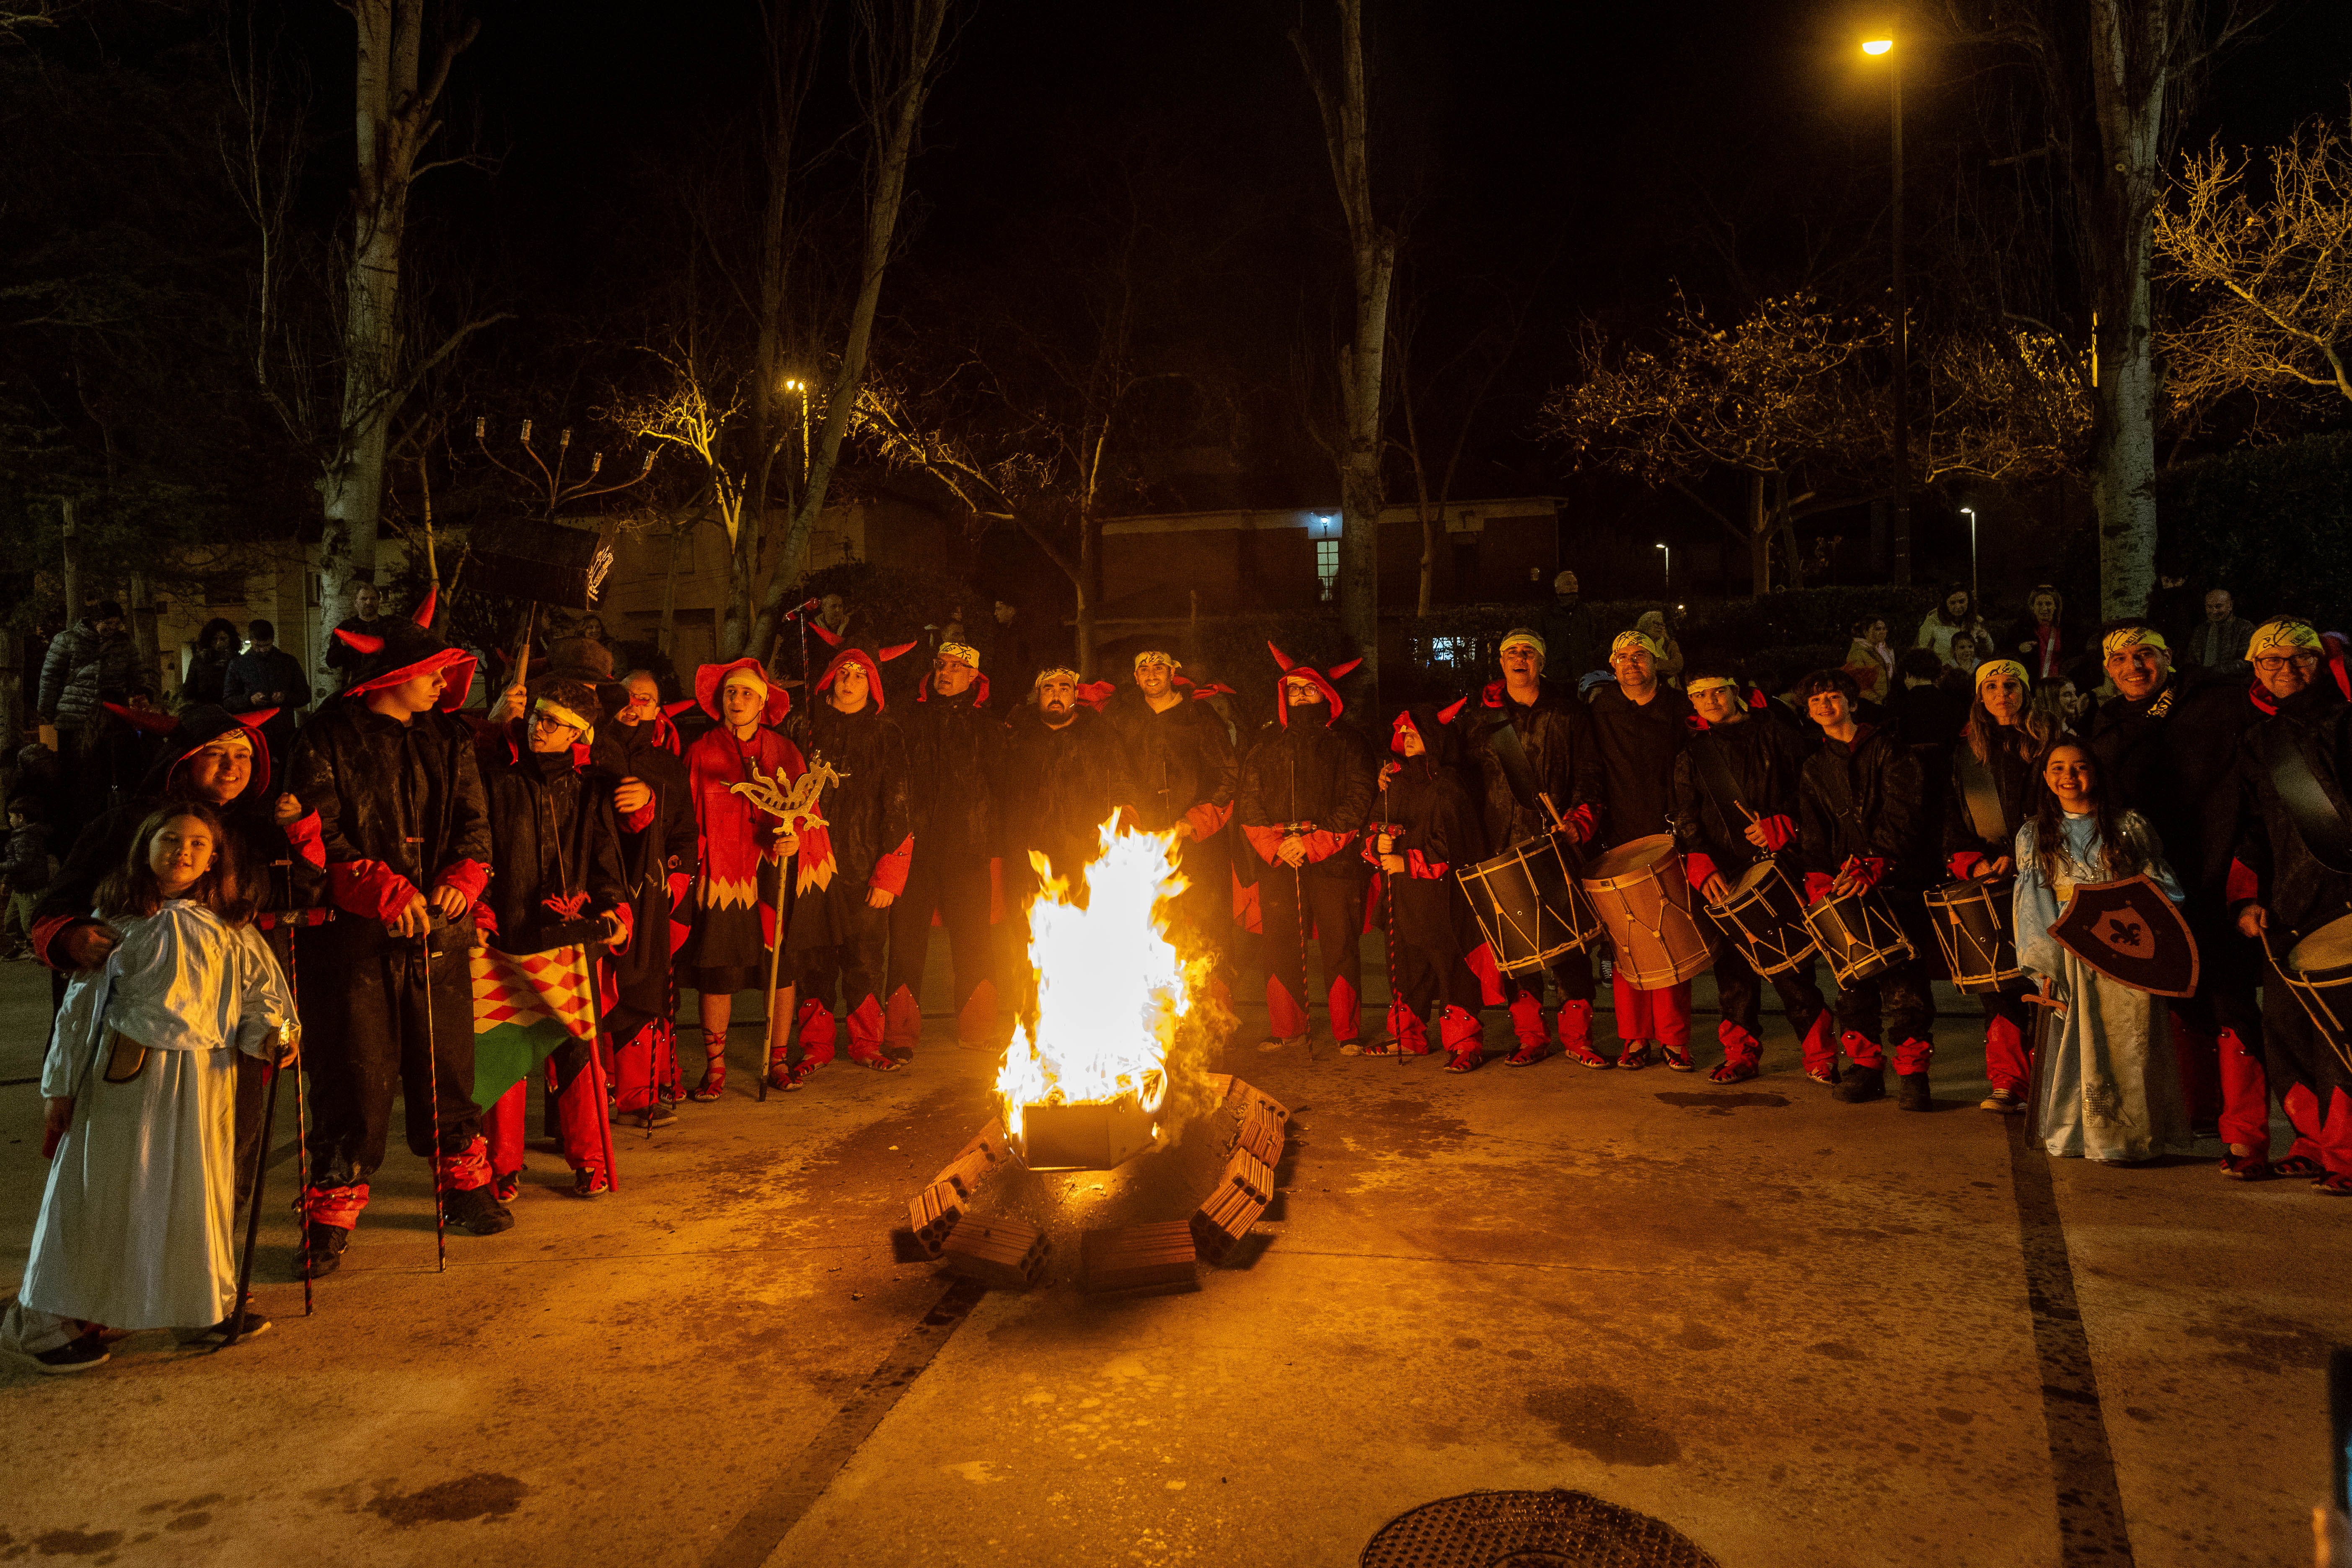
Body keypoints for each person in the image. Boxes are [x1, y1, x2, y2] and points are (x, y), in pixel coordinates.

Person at [1, 805, 300, 1372]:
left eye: (197, 843)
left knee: (196, 1192)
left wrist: (273, 1036)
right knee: (104, 1194)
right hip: (127, 1081)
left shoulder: (230, 928)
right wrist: (60, 1086)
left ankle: (198, 1303)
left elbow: (263, 995)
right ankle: (42, 1321)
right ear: (145, 846)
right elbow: (79, 1010)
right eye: (170, 839)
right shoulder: (117, 923)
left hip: (206, 1081)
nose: (182, 851)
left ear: (216, 857)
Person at [290, 595, 502, 1278]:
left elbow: (475, 823)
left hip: (440, 932)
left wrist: (462, 878)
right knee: (356, 1069)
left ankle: (466, 1186)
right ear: (388, 678)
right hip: (355, 940)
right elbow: (320, 831)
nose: (443, 682)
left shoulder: (449, 738)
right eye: (431, 671)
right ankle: (331, 1212)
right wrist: (379, 888)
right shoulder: (325, 736)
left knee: (448, 1062)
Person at [28, 703, 317, 1190]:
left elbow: (302, 896)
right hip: (130, 1038)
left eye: (244, 755)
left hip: (225, 1035)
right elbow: (56, 910)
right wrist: (73, 937)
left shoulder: (257, 829)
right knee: (129, 1167)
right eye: (217, 754)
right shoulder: (122, 826)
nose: (232, 767)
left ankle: (208, 1258)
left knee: (222, 1159)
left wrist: (299, 832)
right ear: (183, 758)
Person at [2090, 621, 2269, 1177]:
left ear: (2168, 656)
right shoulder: (2105, 724)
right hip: (2148, 890)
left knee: (2230, 1003)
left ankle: (2247, 1135)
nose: (2133, 665)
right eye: (2120, 658)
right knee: (2178, 1003)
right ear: (2107, 669)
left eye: (2145, 654)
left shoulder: (2220, 704)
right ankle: (2197, 1109)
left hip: (2217, 876)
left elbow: (2260, 788)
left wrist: (2248, 871)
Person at [474, 676, 630, 1200]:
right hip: (506, 933)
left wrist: (614, 912)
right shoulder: (498, 778)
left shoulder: (591, 789)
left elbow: (608, 859)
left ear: (578, 734)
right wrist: (479, 908)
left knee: (576, 1050)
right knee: (508, 1048)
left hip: (571, 937)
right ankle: (500, 1165)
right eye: (537, 716)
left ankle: (589, 1158)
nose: (539, 727)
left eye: (553, 721)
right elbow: (479, 848)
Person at [2015, 742, 2192, 1162]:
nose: (2069, 776)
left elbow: (2161, 890)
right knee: (2079, 1042)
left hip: (2125, 950)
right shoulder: (2035, 833)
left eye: (2079, 766)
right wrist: (2043, 962)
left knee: (2132, 1044)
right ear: (2046, 777)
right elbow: (2032, 904)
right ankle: (2078, 1134)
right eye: (2058, 768)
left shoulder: (2128, 826)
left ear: (2095, 771)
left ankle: (2132, 1138)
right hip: (2071, 954)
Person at [2229, 618, 2352, 1195]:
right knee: (2287, 1033)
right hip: (2286, 906)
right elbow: (2254, 828)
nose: (2285, 669)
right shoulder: (2259, 740)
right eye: (2270, 660)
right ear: (2255, 670)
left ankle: (2346, 1155)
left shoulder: (2347, 721)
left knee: (2340, 1038)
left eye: (2297, 657)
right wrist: (2249, 898)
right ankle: (2309, 1142)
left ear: (2321, 661)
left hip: (2344, 897)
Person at [1674, 665, 1835, 1084]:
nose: (1711, 701)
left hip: (1777, 863)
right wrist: (1697, 856)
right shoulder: (1691, 753)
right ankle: (1741, 1053)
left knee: (1793, 968)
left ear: (1734, 692)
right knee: (1733, 975)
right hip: (1724, 872)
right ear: (1693, 702)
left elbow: (1811, 786)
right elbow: (1687, 812)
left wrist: (1784, 822)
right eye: (1701, 696)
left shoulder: (1777, 732)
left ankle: (1821, 1054)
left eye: (1718, 692)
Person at [1454, 630, 1604, 1066]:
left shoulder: (1568, 713)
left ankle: (1578, 1038)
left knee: (1571, 946)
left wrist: (1580, 822)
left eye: (1529, 652)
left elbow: (1590, 773)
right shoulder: (1480, 719)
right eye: (1512, 653)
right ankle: (1531, 1037)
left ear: (1541, 662)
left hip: (1556, 843)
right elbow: (1456, 775)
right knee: (1519, 952)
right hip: (1500, 844)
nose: (1521, 659)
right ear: (1500, 663)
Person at [1795, 667, 1938, 1107]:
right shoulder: (1815, 766)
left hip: (1894, 882)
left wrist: (1877, 860)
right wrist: (1819, 876)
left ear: (1851, 702)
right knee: (1853, 984)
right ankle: (1866, 1067)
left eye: (1832, 697)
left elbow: (1905, 811)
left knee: (1906, 985)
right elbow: (1814, 831)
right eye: (1816, 701)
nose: (1825, 706)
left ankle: (1914, 1074)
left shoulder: (1891, 750)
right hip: (1844, 888)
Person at [783, 633, 914, 1073]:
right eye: (844, 672)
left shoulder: (887, 733)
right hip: (812, 866)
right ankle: (816, 1045)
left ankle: (865, 1043)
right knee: (812, 958)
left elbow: (898, 803)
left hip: (863, 866)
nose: (850, 681)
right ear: (830, 678)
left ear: (872, 684)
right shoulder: (805, 726)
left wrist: (889, 873)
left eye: (860, 675)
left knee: (864, 958)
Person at [1235, 648, 1375, 1053]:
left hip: (1335, 861)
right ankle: (1287, 1027)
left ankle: (1346, 1033)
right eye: (1293, 689)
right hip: (1280, 861)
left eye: (1308, 688)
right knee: (1280, 945)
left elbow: (1359, 796)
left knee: (1340, 944)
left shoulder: (1350, 742)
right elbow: (1249, 800)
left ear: (1326, 693)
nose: (1299, 695)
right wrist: (1278, 847)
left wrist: (1313, 844)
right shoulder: (1265, 744)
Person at [679, 659, 802, 1098]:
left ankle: (779, 1060)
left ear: (763, 701)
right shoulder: (700, 751)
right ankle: (716, 1069)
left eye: (746, 693)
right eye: (731, 693)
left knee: (779, 971)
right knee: (717, 972)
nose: (737, 700)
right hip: (719, 878)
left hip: (771, 876)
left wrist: (794, 841)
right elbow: (685, 818)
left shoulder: (785, 751)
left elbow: (806, 815)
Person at [1943, 660, 2054, 1113]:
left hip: (2047, 874)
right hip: (1991, 874)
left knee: (2050, 978)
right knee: (1999, 982)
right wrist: (1973, 862)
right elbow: (1951, 815)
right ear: (1980, 696)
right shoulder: (1967, 752)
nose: (2002, 693)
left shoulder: (2050, 744)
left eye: (2011, 685)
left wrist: (2030, 852)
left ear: (2025, 693)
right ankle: (2009, 1078)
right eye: (1992, 686)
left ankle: (2055, 1080)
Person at [884, 640, 1004, 1058]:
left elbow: (1004, 790)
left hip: (969, 851)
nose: (946, 672)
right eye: (941, 665)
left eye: (957, 667)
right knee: (905, 944)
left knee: (974, 943)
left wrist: (995, 848)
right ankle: (900, 1035)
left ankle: (977, 1029)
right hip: (916, 852)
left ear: (975, 677)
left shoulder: (987, 728)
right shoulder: (908, 720)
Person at [1000, 666, 1140, 1019]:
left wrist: (1117, 829)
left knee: (1087, 935)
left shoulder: (1100, 737)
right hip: (1027, 855)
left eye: (1065, 687)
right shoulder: (1016, 739)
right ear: (1038, 695)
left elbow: (1122, 785)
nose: (1057, 694)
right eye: (1049, 688)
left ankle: (1088, 1013)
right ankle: (1032, 1017)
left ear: (1075, 695)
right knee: (1027, 938)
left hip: (1085, 853)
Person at [1589, 628, 1699, 1069]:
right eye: (1623, 657)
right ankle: (1635, 1038)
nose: (1632, 664)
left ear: (1656, 663)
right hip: (1617, 836)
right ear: (1612, 666)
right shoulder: (1601, 709)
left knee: (1670, 939)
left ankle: (1674, 1038)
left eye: (1641, 656)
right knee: (1628, 943)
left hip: (1669, 834)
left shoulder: (1678, 708)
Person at [1103, 649, 1239, 999]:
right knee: (1148, 924)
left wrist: (1193, 821)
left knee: (1207, 924)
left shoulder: (1200, 716)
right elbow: (1113, 772)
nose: (1151, 674)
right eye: (1143, 669)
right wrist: (1130, 818)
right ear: (1136, 678)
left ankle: (1213, 1016)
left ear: (1172, 674)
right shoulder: (1124, 718)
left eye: (1159, 668)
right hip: (1142, 842)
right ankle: (1154, 1013)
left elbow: (1227, 774)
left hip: (1196, 843)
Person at [1365, 703, 1486, 1068]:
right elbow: (1374, 826)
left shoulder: (1449, 785)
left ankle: (1465, 1044)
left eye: (1415, 735)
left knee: (1452, 969)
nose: (1407, 740)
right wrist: (1376, 844)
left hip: (1442, 900)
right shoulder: (1395, 783)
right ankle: (1408, 1037)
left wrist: (1407, 861)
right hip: (1403, 898)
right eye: (1404, 735)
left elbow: (1455, 845)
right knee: (1407, 966)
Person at [606, 669, 697, 1126]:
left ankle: (638, 1095)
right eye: (627, 695)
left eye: (646, 698)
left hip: (652, 898)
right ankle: (591, 1100)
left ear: (658, 710)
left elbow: (685, 834)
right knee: (598, 996)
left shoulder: (668, 766)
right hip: (599, 897)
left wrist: (675, 885)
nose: (635, 704)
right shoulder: (591, 756)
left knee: (644, 991)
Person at [223, 618, 311, 784]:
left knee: (286, 777)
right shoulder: (238, 665)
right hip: (254, 731)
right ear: (251, 640)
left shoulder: (288, 662)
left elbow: (305, 695)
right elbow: (228, 701)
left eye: (266, 646)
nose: (263, 650)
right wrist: (249, 700)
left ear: (273, 640)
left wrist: (285, 697)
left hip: (283, 731)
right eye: (258, 646)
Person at [2, 800, 57, 960]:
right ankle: (21, 946)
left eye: (11, 817)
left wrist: (2, 868)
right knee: (11, 919)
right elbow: (14, 859)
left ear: (20, 817)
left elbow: (22, 864)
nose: (10, 820)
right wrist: (7, 881)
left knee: (30, 921)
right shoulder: (19, 837)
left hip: (31, 886)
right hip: (20, 886)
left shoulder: (27, 837)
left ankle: (37, 948)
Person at [1537, 571, 1603, 690]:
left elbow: (1593, 638)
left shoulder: (1585, 612)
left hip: (1582, 675)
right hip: (1556, 676)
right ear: (1558, 589)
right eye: (1568, 584)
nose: (1573, 587)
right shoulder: (1546, 614)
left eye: (1575, 583)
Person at [2005, 585, 2078, 683]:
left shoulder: (2068, 630)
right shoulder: (2021, 630)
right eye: (2040, 604)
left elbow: (2076, 656)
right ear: (2033, 607)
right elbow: (2004, 652)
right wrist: (2019, 649)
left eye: (2048, 604)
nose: (2044, 608)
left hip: (2060, 685)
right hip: (2033, 686)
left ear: (2055, 606)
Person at [324, 583, 392, 685]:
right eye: (364, 599)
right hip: (355, 686)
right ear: (356, 603)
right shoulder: (346, 627)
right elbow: (331, 662)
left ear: (379, 601)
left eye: (373, 598)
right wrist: (343, 646)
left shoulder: (389, 627)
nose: (369, 602)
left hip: (384, 686)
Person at [1915, 585, 1990, 670]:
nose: (1958, 607)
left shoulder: (1976, 622)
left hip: (1971, 675)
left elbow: (1988, 652)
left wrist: (1986, 639)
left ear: (1969, 602)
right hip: (1943, 675)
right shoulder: (1932, 623)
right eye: (1953, 603)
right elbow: (1921, 655)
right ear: (1945, 604)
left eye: (1962, 602)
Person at [2184, 587, 2256, 675]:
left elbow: (2246, 661)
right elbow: (2191, 659)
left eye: (2218, 607)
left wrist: (2212, 672)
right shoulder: (2201, 630)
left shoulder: (2245, 628)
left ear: (2230, 606)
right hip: (2201, 683)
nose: (2214, 612)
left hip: (2232, 683)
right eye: (2210, 607)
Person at [990, 599, 1052, 691]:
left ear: (1011, 610)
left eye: (999, 609)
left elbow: (1025, 664)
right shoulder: (1006, 632)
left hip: (1016, 689)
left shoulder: (1022, 634)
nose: (995, 613)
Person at [182, 618, 241, 709]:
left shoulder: (238, 661)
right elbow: (189, 691)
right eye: (215, 639)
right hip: (206, 712)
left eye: (223, 639)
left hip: (233, 712)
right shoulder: (199, 661)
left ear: (230, 639)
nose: (219, 643)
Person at [1842, 616, 1896, 704]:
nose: (1883, 632)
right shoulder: (1858, 652)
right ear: (1865, 632)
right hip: (1872, 704)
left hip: (1887, 701)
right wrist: (1877, 701)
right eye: (1878, 629)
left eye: (1885, 629)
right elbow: (1858, 684)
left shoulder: (1885, 649)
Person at [1635, 609, 1685, 688]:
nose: (1660, 627)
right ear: (1646, 625)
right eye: (1656, 624)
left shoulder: (1670, 644)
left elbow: (1678, 665)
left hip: (1672, 688)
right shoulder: (1638, 645)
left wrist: (1653, 665)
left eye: (1662, 624)